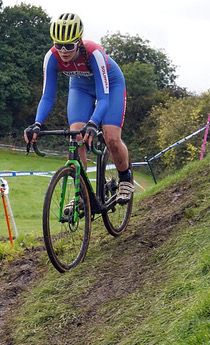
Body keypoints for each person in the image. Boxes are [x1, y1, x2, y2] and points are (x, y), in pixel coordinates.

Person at [24, 13, 134, 204]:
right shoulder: (51, 57)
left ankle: (125, 179)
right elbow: (48, 96)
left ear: (79, 42)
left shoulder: (94, 54)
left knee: (111, 138)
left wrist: (93, 122)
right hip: (80, 88)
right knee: (75, 136)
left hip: (110, 86)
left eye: (69, 45)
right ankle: (81, 193)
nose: (63, 50)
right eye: (59, 45)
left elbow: (104, 98)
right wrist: (37, 124)